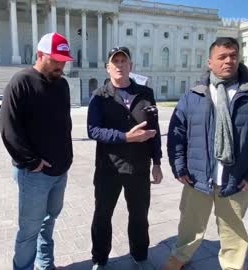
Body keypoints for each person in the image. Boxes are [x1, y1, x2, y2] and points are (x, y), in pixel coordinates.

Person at [164, 37, 248, 270]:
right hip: (197, 177)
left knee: (232, 229)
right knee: (190, 224)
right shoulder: (194, 95)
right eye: (222, 57)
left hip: (235, 178)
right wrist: (179, 167)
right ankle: (180, 257)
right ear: (210, 62)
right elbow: (176, 133)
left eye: (233, 56)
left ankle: (232, 265)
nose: (229, 61)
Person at [0, 32, 74, 270]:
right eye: (56, 60)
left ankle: (45, 264)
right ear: (40, 55)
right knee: (29, 230)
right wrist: (32, 162)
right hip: (34, 174)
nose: (61, 66)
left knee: (49, 222)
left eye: (64, 61)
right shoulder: (20, 82)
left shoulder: (62, 84)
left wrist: (67, 158)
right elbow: (8, 129)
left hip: (60, 171)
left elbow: (65, 124)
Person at [87, 46, 163, 270]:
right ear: (108, 68)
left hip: (139, 168)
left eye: (124, 61)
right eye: (115, 61)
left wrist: (157, 162)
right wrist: (125, 137)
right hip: (108, 168)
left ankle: (140, 256)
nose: (120, 65)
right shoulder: (100, 96)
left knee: (139, 216)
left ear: (131, 66)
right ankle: (100, 260)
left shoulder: (145, 94)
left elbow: (154, 131)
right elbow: (93, 130)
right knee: (102, 216)